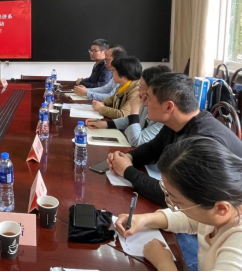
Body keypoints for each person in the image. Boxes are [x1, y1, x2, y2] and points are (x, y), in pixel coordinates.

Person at [107, 73, 242, 206]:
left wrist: (127, 171)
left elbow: (175, 198)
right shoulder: (178, 122)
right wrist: (128, 157)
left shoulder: (202, 142)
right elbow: (152, 148)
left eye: (148, 98)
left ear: (168, 107)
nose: (144, 102)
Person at [115, 137, 242, 271]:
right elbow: (194, 220)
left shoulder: (237, 248)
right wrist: (145, 219)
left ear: (221, 209)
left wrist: (163, 263)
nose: (176, 207)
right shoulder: (219, 201)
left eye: (178, 204)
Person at [87, 65, 171, 147]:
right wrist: (105, 124)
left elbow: (137, 141)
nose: (138, 90)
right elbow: (128, 120)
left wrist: (134, 110)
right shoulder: (146, 103)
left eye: (141, 87)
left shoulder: (165, 118)